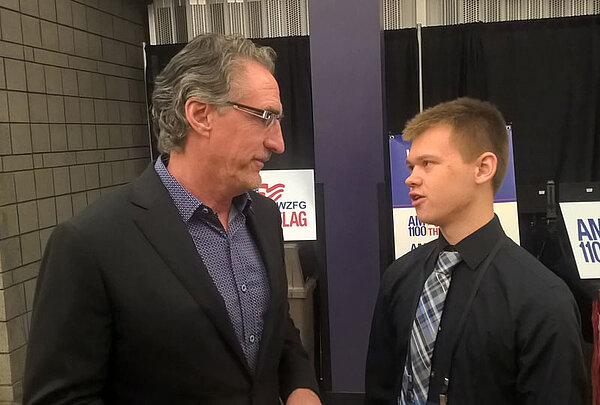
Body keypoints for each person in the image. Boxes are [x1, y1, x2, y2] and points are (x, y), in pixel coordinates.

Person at [24, 33, 321, 405]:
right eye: (265, 117)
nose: (278, 142)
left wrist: (301, 389)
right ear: (200, 115)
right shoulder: (90, 243)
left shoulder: (263, 216)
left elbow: (278, 331)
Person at [365, 97, 587, 404]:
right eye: (411, 165)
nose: (411, 178)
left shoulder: (542, 300)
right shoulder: (399, 278)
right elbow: (381, 391)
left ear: (483, 168)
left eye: (428, 163)